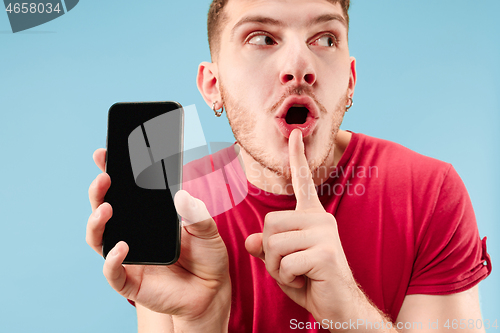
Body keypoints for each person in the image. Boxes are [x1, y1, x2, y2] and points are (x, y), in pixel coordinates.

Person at [86, 0, 492, 332]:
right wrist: (202, 320)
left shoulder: (428, 192)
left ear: (350, 81)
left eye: (326, 38)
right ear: (214, 86)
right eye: (262, 38)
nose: (300, 66)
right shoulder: (175, 203)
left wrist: (350, 313)